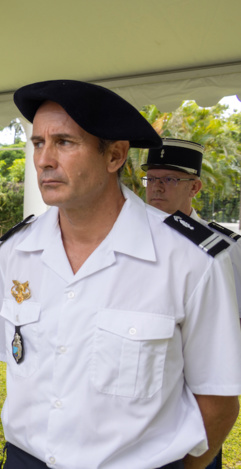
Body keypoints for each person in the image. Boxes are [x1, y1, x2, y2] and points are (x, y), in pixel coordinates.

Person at [0, 79, 241, 469]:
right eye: (38, 143)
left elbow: (217, 401)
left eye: (65, 142)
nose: (44, 160)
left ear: (115, 155)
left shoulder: (190, 260)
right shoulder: (15, 253)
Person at [141, 138, 241, 469]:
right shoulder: (125, 239)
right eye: (151, 178)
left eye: (169, 179)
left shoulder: (223, 248)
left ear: (195, 186)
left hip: (197, 384)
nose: (156, 188)